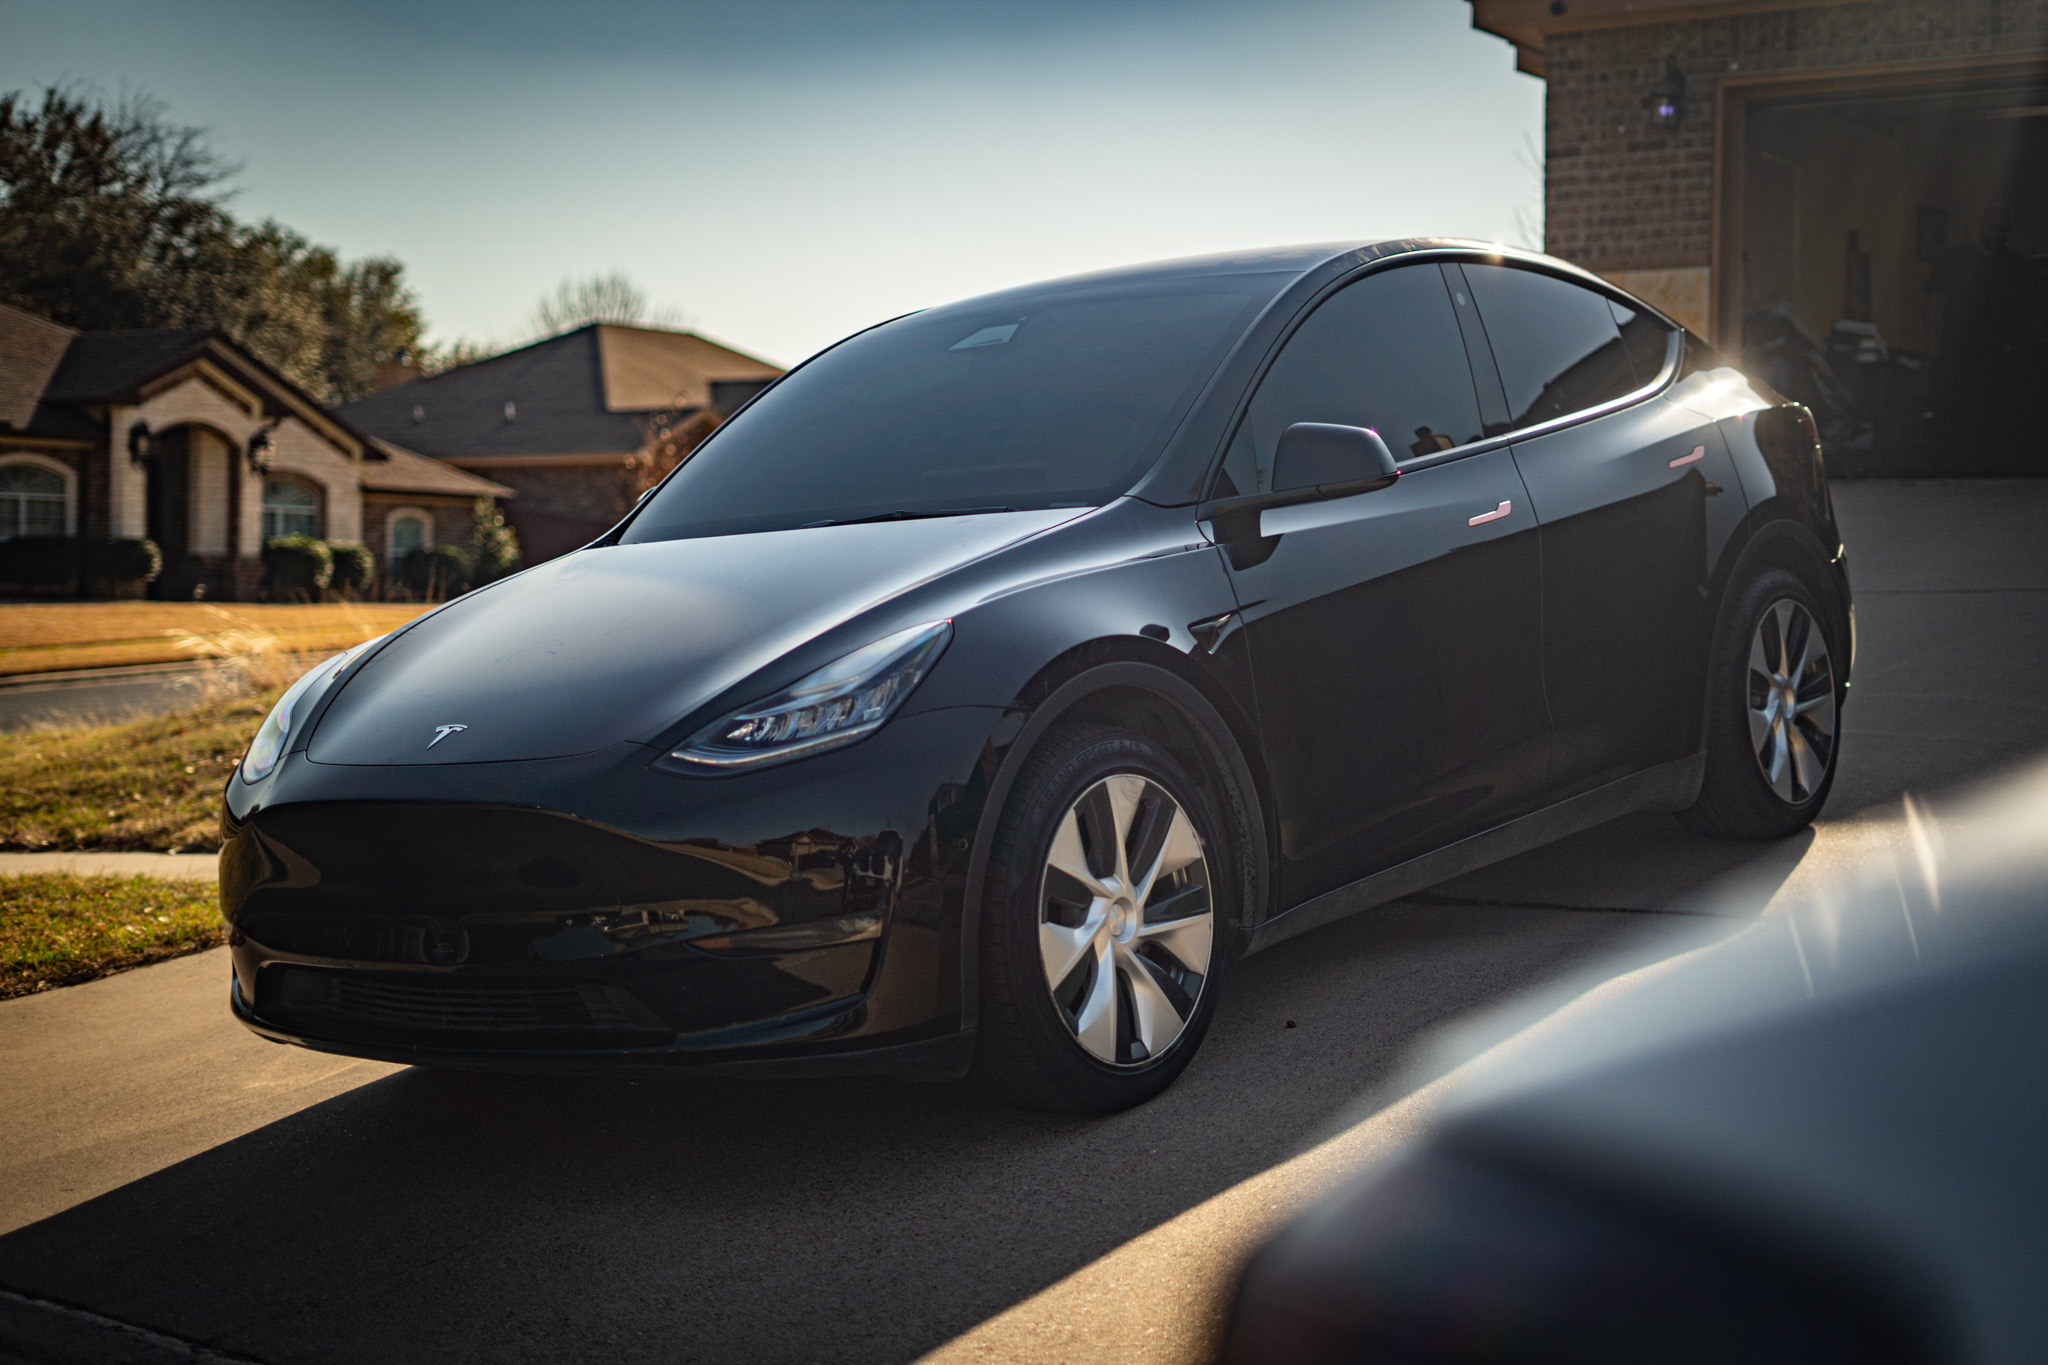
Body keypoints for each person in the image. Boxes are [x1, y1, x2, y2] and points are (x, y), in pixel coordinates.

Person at [1925, 206, 2038, 470]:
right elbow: (1934, 300)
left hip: (1999, 353)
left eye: (2002, 229)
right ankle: (1954, 463)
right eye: (1992, 227)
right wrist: (1933, 341)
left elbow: (2027, 307)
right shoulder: (1956, 259)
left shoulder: (2014, 264)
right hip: (1959, 350)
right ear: (1982, 226)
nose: (1997, 234)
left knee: (1992, 412)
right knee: (1957, 409)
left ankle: (1988, 462)